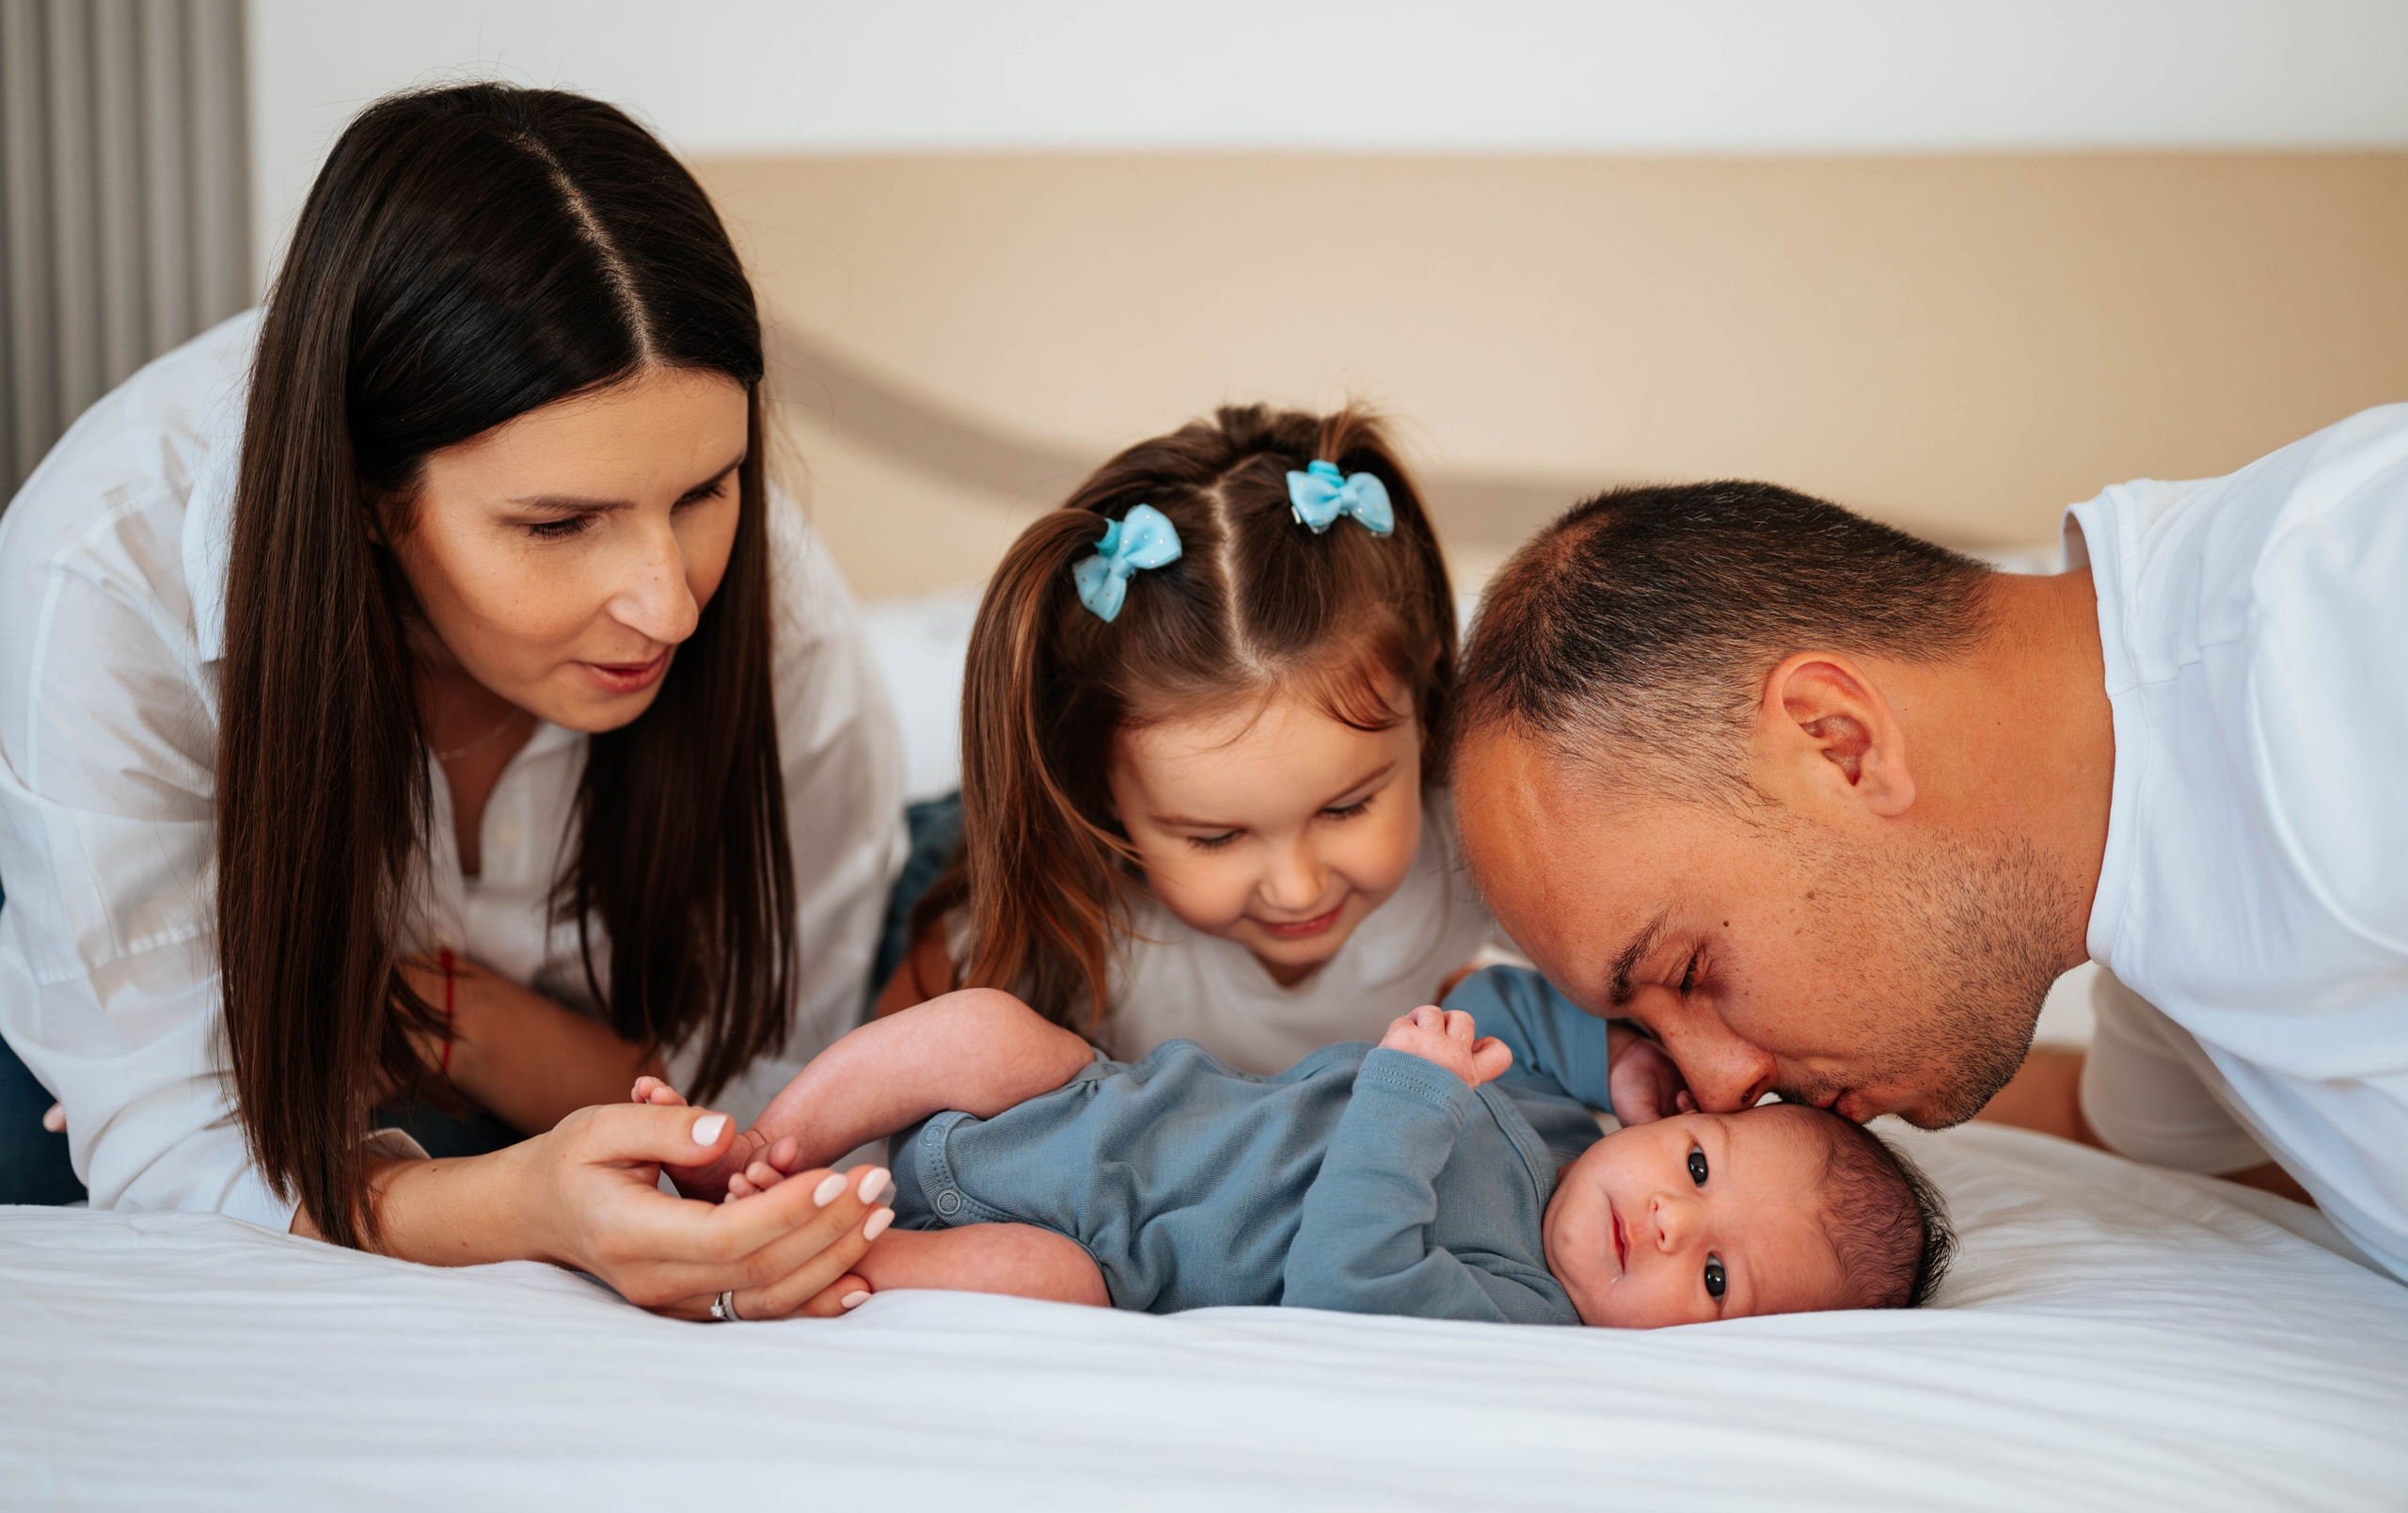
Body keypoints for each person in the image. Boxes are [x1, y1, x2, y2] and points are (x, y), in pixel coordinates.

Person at [0, 83, 905, 1318]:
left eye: (707, 489)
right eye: (559, 524)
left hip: (477, 1087)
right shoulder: (109, 580)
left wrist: (454, 1020)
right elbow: (174, 1142)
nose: (671, 604)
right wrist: (516, 1209)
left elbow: (769, 1092)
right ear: (371, 492)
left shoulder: (773, 604)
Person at [1448, 409, 2408, 1281]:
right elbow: (2100, 1119)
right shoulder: (2147, 921)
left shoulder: (2348, 616)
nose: (1719, 1090)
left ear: (1838, 742)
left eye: (1692, 968)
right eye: (1656, 1030)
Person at [636, 967, 1953, 1326]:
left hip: (1098, 1247)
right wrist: (1610, 1053)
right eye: (1702, 1169)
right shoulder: (1576, 1122)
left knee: (1050, 1296)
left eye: (1715, 1281)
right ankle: (765, 1144)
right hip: (1096, 1103)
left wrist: (1415, 1098)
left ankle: (785, 1241)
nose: (1670, 1224)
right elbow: (1485, 1002)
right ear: (1685, 1121)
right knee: (982, 1028)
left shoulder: (1520, 1311)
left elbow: (1346, 1284)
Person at [870, 406, 1511, 1077]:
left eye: (1345, 808)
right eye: (1215, 837)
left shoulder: (1473, 843)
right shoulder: (1064, 924)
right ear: (1101, 786)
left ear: (1425, 705)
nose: (1297, 890)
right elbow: (890, 1083)